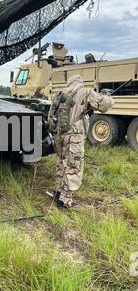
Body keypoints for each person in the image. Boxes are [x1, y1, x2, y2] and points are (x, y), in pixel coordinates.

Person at [48, 75, 115, 209]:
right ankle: (65, 200)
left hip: (59, 136)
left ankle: (58, 191)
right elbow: (104, 105)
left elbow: (51, 117)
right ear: (80, 83)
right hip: (74, 137)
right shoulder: (85, 92)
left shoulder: (59, 94)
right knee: (73, 167)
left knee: (62, 162)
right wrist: (108, 95)